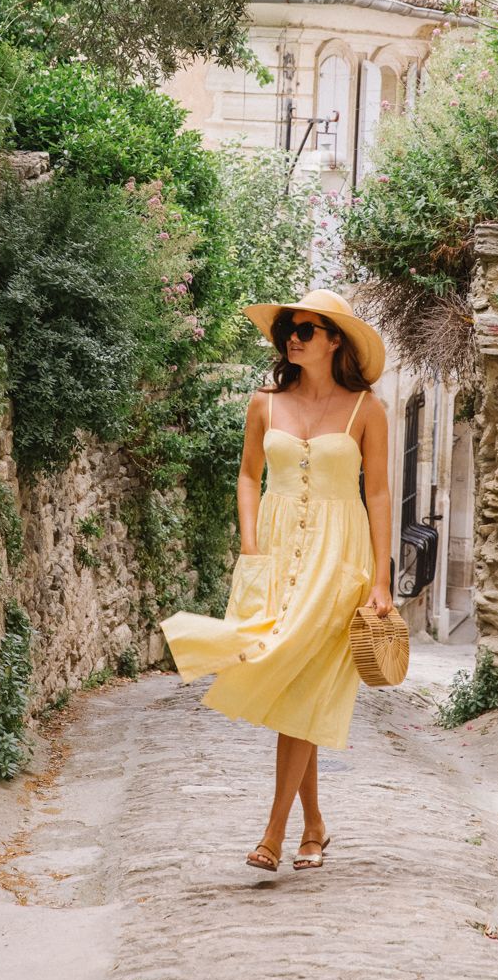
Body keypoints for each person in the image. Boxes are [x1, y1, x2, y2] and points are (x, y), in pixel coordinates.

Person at [160, 288, 394, 875]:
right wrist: (249, 542)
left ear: (334, 339)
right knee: (289, 677)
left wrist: (382, 580)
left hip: (341, 556)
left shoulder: (366, 409)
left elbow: (380, 493)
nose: (293, 336)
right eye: (288, 327)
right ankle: (314, 826)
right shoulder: (265, 402)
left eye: (307, 329)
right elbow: (247, 475)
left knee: (305, 676)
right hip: (277, 549)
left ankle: (275, 831)